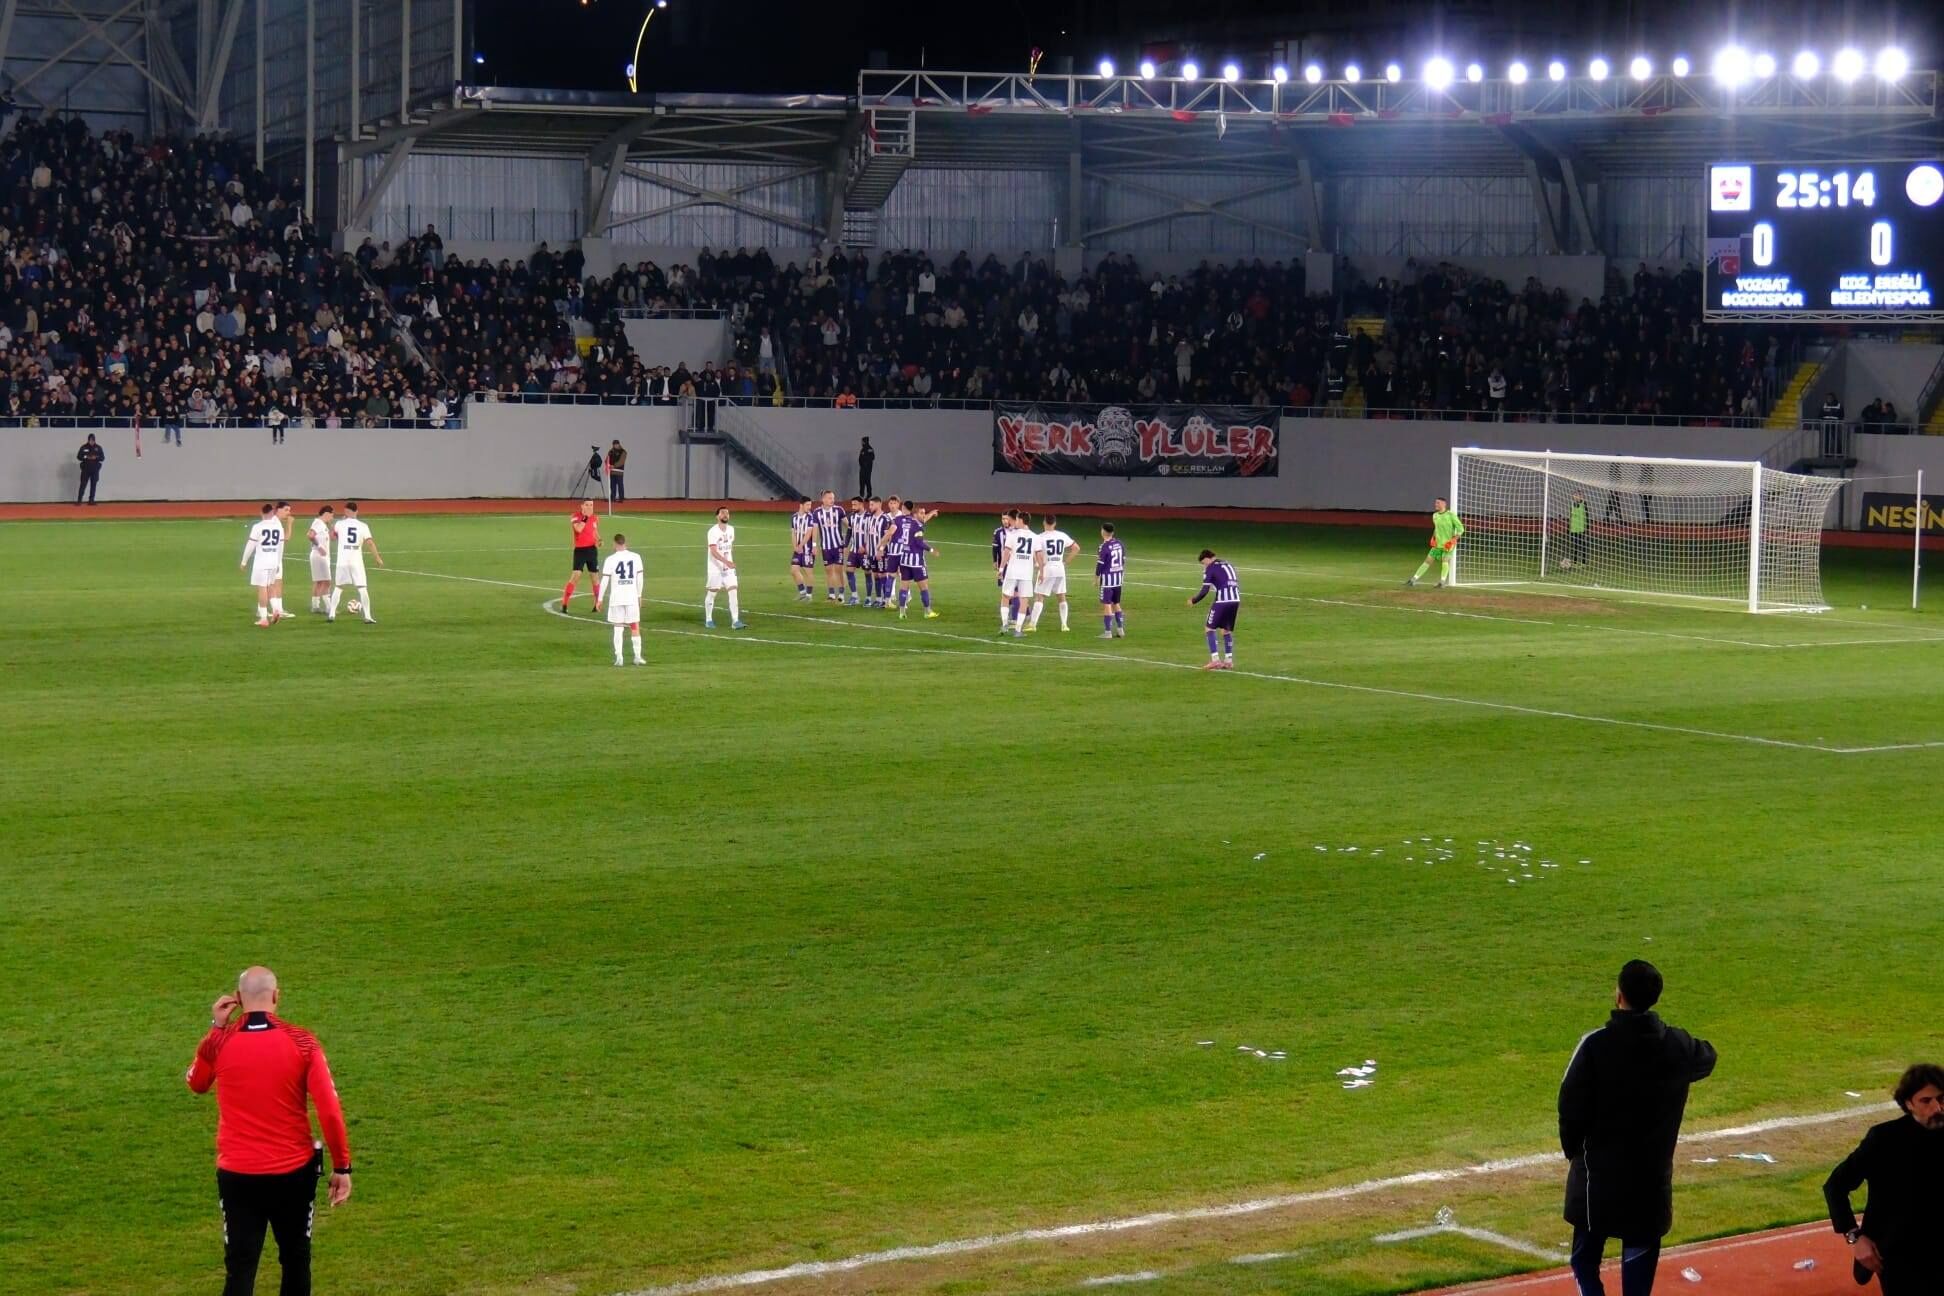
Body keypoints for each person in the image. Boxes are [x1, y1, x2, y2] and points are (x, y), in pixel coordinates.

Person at [186, 966, 353, 1296]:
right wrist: (342, 1166)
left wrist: (216, 1028)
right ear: (276, 996)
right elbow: (330, 1111)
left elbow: (197, 1082)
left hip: (237, 1174)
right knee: (295, 1261)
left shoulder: (220, 1042)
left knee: (240, 1268)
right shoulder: (302, 1042)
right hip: (293, 1174)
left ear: (238, 998)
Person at [1558, 960, 1718, 1296]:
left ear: (1619, 995)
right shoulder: (1678, 1046)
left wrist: (1574, 1154)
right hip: (1650, 1186)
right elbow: (1707, 1056)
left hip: (1597, 1183)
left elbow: (1569, 1107)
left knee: (1584, 1263)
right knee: (1637, 1283)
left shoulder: (1594, 1046)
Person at [1823, 1062, 1944, 1294]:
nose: (1937, 1107)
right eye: (1926, 1101)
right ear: (1908, 1104)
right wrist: (1855, 1236)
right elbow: (1835, 1186)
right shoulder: (1884, 1139)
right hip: (1899, 1255)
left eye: (1942, 1099)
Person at [594, 534, 646, 666]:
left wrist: (599, 599)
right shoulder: (636, 557)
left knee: (618, 627)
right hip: (631, 597)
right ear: (625, 543)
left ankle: (619, 657)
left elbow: (604, 581)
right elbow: (640, 579)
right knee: (634, 626)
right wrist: (639, 595)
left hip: (617, 598)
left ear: (615, 544)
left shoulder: (610, 559)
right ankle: (637, 657)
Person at [329, 502, 383, 624]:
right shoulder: (363, 526)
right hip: (356, 561)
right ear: (356, 511)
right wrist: (377, 558)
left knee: (339, 587)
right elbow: (370, 543)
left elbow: (332, 538)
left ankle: (331, 614)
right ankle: (367, 616)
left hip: (342, 560)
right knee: (362, 587)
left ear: (345, 511)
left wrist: (333, 527)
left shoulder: (339, 524)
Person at [1187, 548, 1240, 669]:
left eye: (1203, 563)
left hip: (1222, 601)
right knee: (1226, 630)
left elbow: (1205, 590)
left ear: (1207, 558)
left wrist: (1194, 600)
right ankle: (1228, 661)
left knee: (1209, 628)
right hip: (1235, 600)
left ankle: (1215, 660)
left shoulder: (1210, 568)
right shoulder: (1228, 564)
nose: (1204, 566)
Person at [239, 503, 289, 627]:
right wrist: (278, 562)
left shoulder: (258, 527)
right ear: (272, 513)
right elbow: (281, 547)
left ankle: (263, 618)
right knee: (271, 586)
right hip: (273, 561)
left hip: (261, 562)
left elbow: (250, 545)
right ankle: (276, 609)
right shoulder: (278, 528)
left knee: (262, 588)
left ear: (261, 513)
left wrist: (244, 561)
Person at [1028, 514, 1076, 633]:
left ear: (1044, 523)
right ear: (1054, 523)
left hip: (1047, 568)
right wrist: (1065, 562)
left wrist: (1037, 564)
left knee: (1039, 597)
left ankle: (1032, 625)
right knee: (1061, 596)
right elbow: (1076, 548)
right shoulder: (1062, 535)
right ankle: (1064, 625)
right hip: (1059, 568)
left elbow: (1037, 553)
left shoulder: (1040, 537)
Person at [895, 500, 941, 620]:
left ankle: (902, 613)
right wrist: (932, 550)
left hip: (904, 559)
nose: (923, 515)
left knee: (904, 587)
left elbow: (901, 537)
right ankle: (927, 611)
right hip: (916, 562)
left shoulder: (905, 522)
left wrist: (931, 513)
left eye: (924, 513)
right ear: (915, 514)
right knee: (924, 587)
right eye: (921, 513)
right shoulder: (918, 526)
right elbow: (919, 542)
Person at [1406, 496, 1465, 588]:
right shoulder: (1435, 515)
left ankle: (1442, 582)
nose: (1436, 504)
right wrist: (1433, 538)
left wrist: (1453, 540)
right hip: (1437, 544)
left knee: (1445, 561)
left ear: (1444, 504)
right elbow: (1436, 528)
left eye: (1438, 503)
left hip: (1448, 545)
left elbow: (1461, 529)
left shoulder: (1451, 515)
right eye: (1435, 503)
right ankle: (1413, 580)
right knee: (1428, 561)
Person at [704, 507, 746, 629]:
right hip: (715, 568)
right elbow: (713, 551)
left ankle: (735, 621)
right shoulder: (713, 532)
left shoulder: (732, 529)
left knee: (733, 591)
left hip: (728, 568)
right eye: (722, 513)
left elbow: (730, 546)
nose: (725, 515)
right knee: (712, 593)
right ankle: (708, 619)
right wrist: (726, 561)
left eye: (727, 513)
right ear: (717, 516)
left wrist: (729, 562)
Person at [998, 509, 1038, 637]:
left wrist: (1001, 569)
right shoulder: (1035, 536)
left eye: (1016, 519)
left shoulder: (1012, 535)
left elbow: (1006, 552)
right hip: (1026, 573)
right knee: (1024, 600)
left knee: (1005, 596)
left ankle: (1004, 625)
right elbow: (1039, 555)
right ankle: (1018, 630)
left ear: (1020, 520)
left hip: (1012, 571)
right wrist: (1042, 571)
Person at [562, 500, 600, 614]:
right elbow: (578, 529)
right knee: (575, 576)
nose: (589, 507)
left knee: (595, 578)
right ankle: (564, 604)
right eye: (587, 505)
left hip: (592, 550)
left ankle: (597, 605)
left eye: (591, 505)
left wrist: (599, 539)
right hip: (580, 551)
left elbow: (594, 530)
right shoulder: (576, 516)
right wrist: (586, 517)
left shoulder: (595, 517)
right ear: (582, 506)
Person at [814, 490, 848, 602]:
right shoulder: (817, 512)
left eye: (833, 498)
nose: (832, 500)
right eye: (829, 498)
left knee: (839, 569)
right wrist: (814, 545)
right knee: (828, 570)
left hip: (838, 545)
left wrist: (849, 540)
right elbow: (815, 530)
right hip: (826, 546)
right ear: (823, 499)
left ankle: (841, 594)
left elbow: (848, 525)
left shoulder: (839, 510)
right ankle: (831, 594)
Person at [877, 493, 907, 610]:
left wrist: (880, 545)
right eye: (891, 503)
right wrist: (881, 548)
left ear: (898, 504)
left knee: (900, 574)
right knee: (892, 574)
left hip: (902, 550)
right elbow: (886, 535)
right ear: (888, 504)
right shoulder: (886, 517)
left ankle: (902, 597)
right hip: (891, 550)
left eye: (895, 503)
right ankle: (892, 597)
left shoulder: (902, 516)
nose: (892, 505)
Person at [1096, 523, 1126, 638]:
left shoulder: (1103, 546)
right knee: (1116, 603)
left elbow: (1100, 564)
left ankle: (1108, 632)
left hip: (1107, 580)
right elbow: (1123, 560)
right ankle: (1120, 630)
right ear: (1112, 532)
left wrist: (1096, 577)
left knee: (1107, 604)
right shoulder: (1120, 544)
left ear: (1103, 532)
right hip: (1118, 579)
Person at [306, 505, 335, 613]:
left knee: (319, 582)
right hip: (320, 556)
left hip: (317, 556)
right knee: (327, 582)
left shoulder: (322, 524)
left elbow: (333, 538)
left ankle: (315, 606)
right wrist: (319, 547)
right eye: (332, 514)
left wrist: (331, 526)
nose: (333, 516)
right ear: (327, 513)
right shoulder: (318, 523)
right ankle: (329, 607)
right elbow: (310, 535)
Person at [789, 497, 816, 600]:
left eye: (810, 505)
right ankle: (802, 592)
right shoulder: (794, 517)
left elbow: (809, 533)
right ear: (801, 505)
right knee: (793, 570)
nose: (809, 507)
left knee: (808, 572)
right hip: (798, 549)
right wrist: (795, 547)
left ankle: (809, 595)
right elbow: (793, 533)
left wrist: (800, 546)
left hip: (807, 549)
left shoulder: (811, 517)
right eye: (807, 505)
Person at [843, 497, 868, 605]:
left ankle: (868, 598)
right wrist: (845, 545)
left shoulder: (869, 517)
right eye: (852, 505)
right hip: (854, 550)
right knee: (849, 571)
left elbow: (872, 534)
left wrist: (865, 546)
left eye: (855, 505)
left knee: (868, 573)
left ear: (861, 504)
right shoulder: (851, 516)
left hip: (865, 551)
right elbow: (849, 532)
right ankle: (854, 596)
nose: (853, 507)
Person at [993, 509, 1015, 630]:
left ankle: (1015, 614)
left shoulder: (1016, 531)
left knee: (1015, 590)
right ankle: (1010, 614)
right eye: (1003, 519)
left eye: (1007, 518)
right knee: (1005, 589)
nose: (1005, 521)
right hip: (1003, 564)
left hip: (1015, 564)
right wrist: (995, 561)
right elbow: (995, 548)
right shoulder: (998, 532)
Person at [75, 433, 105, 504]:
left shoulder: (98, 447)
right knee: (83, 485)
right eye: (90, 440)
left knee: (93, 485)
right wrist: (86, 457)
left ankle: (91, 500)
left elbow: (102, 458)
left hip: (95, 470)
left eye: (93, 440)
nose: (91, 441)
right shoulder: (83, 447)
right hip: (85, 469)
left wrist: (96, 457)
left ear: (95, 440)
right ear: (88, 440)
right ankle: (79, 501)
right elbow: (79, 457)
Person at [1567, 492, 1590, 568]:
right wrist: (1568, 527)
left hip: (1581, 527)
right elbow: (1571, 516)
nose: (1576, 496)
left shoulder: (1584, 504)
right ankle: (1575, 562)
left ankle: (1583, 562)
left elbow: (1587, 515)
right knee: (1575, 545)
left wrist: (1587, 526)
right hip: (1574, 527)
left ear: (1581, 497)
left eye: (1578, 495)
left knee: (1582, 544)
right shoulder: (1572, 504)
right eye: (1575, 495)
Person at [606, 439, 627, 504]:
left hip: (619, 471)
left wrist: (614, 466)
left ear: (619, 444)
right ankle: (612, 498)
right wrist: (607, 464)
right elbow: (607, 459)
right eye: (614, 444)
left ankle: (621, 498)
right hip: (612, 472)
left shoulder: (623, 452)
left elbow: (621, 462)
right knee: (612, 485)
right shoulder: (610, 451)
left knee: (620, 485)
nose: (615, 445)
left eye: (616, 444)